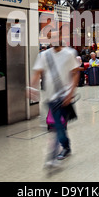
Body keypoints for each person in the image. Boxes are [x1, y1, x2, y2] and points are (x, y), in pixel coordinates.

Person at [28, 28, 80, 167]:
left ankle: (53, 157)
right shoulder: (44, 55)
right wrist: (32, 88)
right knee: (59, 126)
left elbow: (75, 73)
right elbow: (37, 73)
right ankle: (66, 146)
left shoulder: (69, 53)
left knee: (58, 126)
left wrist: (70, 94)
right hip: (50, 97)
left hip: (64, 97)